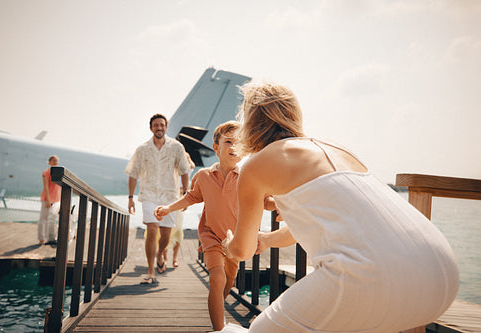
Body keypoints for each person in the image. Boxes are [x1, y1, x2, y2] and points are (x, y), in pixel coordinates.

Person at [220, 80, 459, 332]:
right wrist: (267, 239)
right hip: (440, 279)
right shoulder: (338, 149)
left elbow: (243, 251)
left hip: (367, 280)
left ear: (250, 123)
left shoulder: (256, 164)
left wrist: (229, 245)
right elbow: (331, 218)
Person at [154, 121, 242, 331]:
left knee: (230, 279)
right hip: (211, 234)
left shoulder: (247, 176)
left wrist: (278, 206)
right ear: (216, 147)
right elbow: (191, 197)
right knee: (217, 278)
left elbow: (263, 199)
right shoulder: (203, 176)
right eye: (228, 142)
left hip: (236, 238)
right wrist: (168, 208)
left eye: (238, 143)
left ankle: (217, 303)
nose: (233, 147)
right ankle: (218, 329)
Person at [125, 113, 191, 285]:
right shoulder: (142, 149)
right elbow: (133, 174)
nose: (159, 127)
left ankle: (161, 252)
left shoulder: (177, 147)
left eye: (162, 125)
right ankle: (150, 270)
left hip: (170, 196)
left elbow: (185, 171)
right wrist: (131, 198)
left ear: (166, 127)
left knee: (166, 233)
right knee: (152, 228)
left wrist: (186, 196)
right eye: (156, 125)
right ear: (151, 128)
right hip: (149, 195)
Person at [162, 152, 196, 268]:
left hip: (180, 200)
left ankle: (174, 258)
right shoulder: (171, 170)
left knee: (178, 229)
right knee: (167, 229)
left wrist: (186, 156)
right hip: (170, 200)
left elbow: (192, 165)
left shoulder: (188, 170)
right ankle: (165, 257)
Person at [38, 155, 61, 245]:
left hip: (56, 199)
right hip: (46, 198)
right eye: (54, 161)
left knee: (52, 219)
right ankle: (41, 238)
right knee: (43, 219)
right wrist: (48, 200)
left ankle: (50, 238)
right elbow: (46, 187)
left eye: (57, 161)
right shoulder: (46, 173)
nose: (55, 162)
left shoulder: (59, 173)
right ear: (49, 162)